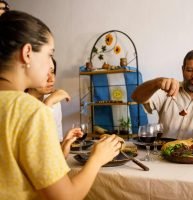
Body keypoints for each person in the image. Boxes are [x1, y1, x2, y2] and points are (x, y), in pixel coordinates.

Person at [0, 10, 121, 200]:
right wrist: (97, 158)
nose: (50, 66)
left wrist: (60, 152)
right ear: (27, 53)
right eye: (49, 55)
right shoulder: (31, 111)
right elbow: (66, 197)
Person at [132, 50, 193, 145]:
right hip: (164, 157)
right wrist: (157, 83)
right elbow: (136, 97)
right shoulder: (168, 89)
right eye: (190, 70)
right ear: (183, 70)